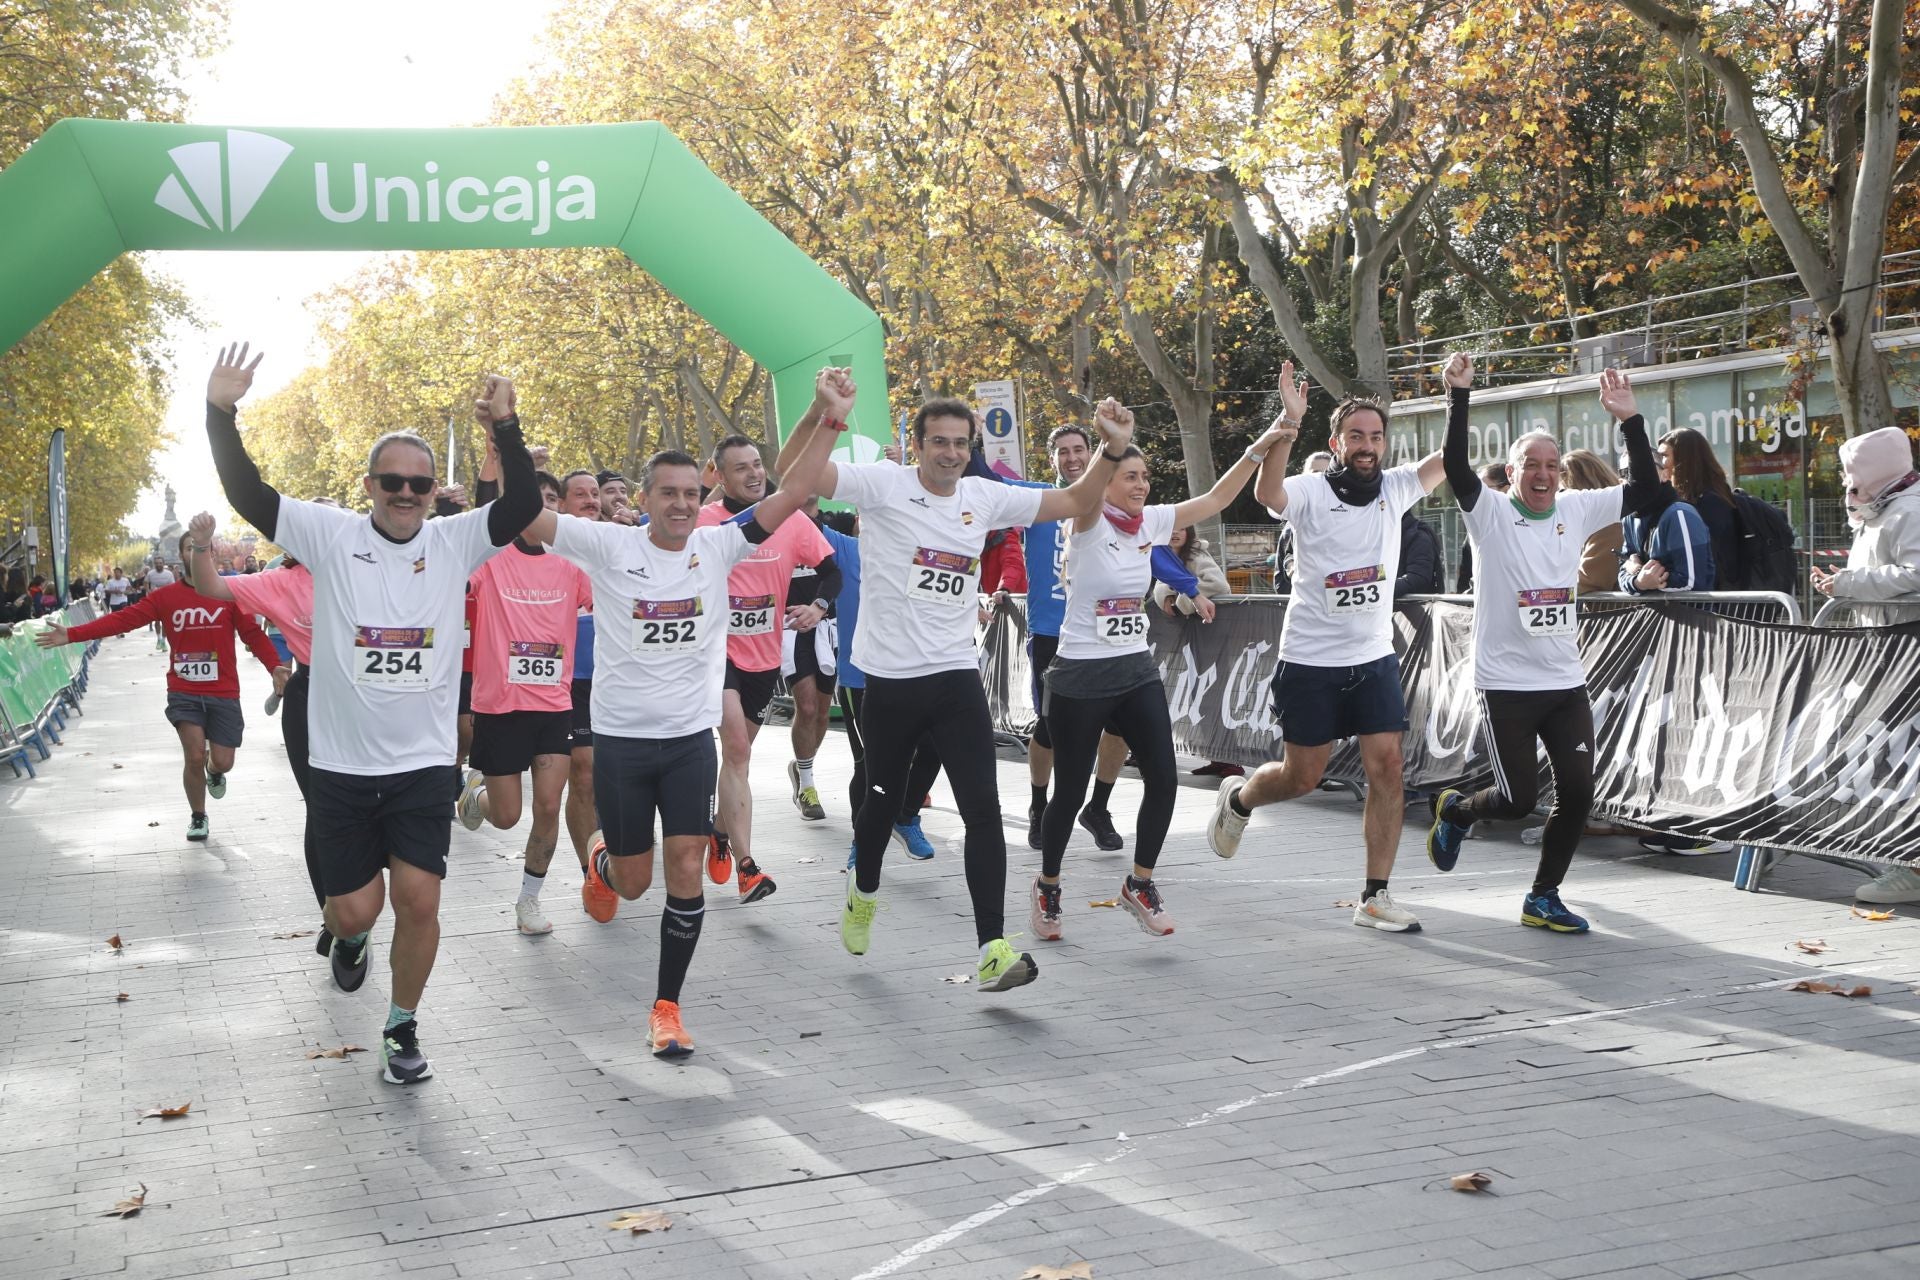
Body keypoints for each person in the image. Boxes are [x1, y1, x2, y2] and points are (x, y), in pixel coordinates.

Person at [205, 341, 540, 1086]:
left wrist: (506, 427)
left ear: (431, 490)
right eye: (392, 481)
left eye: (419, 483)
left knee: (419, 900)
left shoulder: (454, 541)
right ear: (370, 485)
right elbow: (249, 494)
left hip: (422, 764)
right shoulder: (330, 535)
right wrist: (220, 411)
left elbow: (521, 506)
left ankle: (401, 1028)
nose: (406, 493)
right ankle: (349, 939)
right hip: (342, 766)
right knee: (355, 912)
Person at [778, 386, 1135, 990]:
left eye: (960, 444)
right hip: (890, 682)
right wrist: (824, 413)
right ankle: (864, 890)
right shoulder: (884, 484)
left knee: (982, 810)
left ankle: (992, 947)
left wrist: (1112, 447)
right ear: (917, 446)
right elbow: (794, 475)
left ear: (972, 450)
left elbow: (1077, 499)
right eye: (938, 442)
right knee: (881, 803)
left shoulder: (984, 496)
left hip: (955, 678)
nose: (949, 453)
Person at [527, 379, 839, 1060]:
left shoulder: (721, 544)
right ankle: (602, 861)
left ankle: (667, 1008)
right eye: (666, 493)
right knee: (635, 882)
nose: (680, 504)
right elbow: (526, 517)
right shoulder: (609, 547)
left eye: (690, 494)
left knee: (688, 865)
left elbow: (793, 490)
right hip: (624, 743)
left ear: (704, 499)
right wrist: (508, 439)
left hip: (690, 741)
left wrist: (830, 418)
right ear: (643, 500)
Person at [1425, 360, 1666, 932]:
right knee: (1515, 801)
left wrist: (1630, 420)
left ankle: (1543, 896)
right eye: (1531, 465)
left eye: (1552, 466)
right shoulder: (1489, 513)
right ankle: (1458, 811)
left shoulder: (1577, 508)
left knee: (1578, 794)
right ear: (1511, 473)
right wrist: (1459, 396)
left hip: (1563, 681)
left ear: (1561, 475)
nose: (1543, 474)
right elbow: (1455, 466)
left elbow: (1647, 490)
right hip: (1506, 683)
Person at [1209, 359, 1449, 932]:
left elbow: (1451, 459)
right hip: (1311, 659)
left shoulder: (1396, 487)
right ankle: (1239, 799)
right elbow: (1268, 492)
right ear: (1337, 443)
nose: (1367, 446)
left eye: (1376, 436)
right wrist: (1288, 424)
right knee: (1303, 777)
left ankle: (1375, 895)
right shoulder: (1312, 490)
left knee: (1388, 766)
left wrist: (1456, 397)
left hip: (1372, 658)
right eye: (1356, 436)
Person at [1031, 420, 1293, 940]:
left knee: (1164, 776)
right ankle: (1048, 886)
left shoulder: (1150, 521)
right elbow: (1088, 492)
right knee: (1070, 790)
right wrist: (1111, 444)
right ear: (1106, 481)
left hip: (1135, 669)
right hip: (1080, 674)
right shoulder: (1086, 520)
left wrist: (1260, 446)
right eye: (1129, 476)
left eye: (1145, 476)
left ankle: (1140, 883)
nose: (1141, 485)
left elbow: (1216, 499)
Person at [37, 537, 282, 842]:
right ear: (181, 556)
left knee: (223, 761)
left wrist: (275, 667)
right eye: (190, 547)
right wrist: (73, 634)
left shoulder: (229, 595)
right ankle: (198, 816)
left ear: (212, 555)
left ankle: (214, 769)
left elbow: (252, 634)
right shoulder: (166, 597)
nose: (196, 552)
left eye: (202, 547)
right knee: (193, 755)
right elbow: (123, 620)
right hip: (183, 690)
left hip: (223, 691)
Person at [697, 434, 842, 900]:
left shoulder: (791, 520)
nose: (754, 473)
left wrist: (818, 606)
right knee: (737, 747)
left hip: (763, 657)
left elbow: (832, 571)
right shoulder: (705, 522)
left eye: (757, 464)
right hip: (715, 653)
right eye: (741, 467)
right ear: (720, 476)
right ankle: (748, 867)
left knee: (738, 759)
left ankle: (719, 832)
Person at [455, 470, 597, 937]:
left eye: (550, 499)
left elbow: (610, 596)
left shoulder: (570, 563)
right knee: (506, 816)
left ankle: (528, 900)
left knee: (549, 806)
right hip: (499, 707)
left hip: (553, 705)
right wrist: (490, 473)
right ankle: (475, 794)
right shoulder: (491, 558)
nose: (541, 507)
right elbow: (472, 536)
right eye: (531, 499)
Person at [183, 510, 328, 943]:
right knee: (321, 808)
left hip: (372, 701)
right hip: (311, 697)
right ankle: (336, 918)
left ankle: (360, 899)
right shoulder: (282, 581)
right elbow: (211, 586)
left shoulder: (376, 569)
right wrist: (203, 545)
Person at [1002, 425, 1131, 854]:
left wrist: (1187, 588)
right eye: (1063, 451)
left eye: (1079, 449)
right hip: (1051, 634)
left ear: (1092, 452)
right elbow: (983, 478)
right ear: (1051, 458)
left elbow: (1153, 542)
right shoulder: (1037, 498)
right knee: (1051, 727)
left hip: (1104, 631)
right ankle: (1039, 806)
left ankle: (1098, 808)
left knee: (1121, 725)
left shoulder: (1114, 497)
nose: (1072, 458)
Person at [1810, 426, 1920, 903]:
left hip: (1906, 651)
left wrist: (1850, 585)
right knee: (1901, 758)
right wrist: (1845, 585)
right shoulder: (1885, 510)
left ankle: (1912, 868)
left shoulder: (1908, 511)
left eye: (1850, 472)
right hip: (1891, 651)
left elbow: (1915, 574)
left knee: (1908, 759)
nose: (1844, 482)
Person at [820, 512, 947, 863]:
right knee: (870, 767)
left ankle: (905, 816)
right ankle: (862, 844)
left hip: (913, 675)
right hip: (860, 679)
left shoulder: (919, 555)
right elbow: (803, 515)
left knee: (934, 746)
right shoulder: (847, 549)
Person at [781, 496, 846, 826]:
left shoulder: (830, 527)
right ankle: (807, 787)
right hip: (791, 626)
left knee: (821, 712)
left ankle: (802, 767)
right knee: (805, 707)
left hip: (824, 626)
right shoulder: (771, 525)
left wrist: (819, 605)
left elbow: (834, 576)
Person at [556, 470, 604, 880]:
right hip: (571, 679)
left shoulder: (618, 542)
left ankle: (612, 847)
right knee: (584, 773)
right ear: (559, 504)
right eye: (580, 494)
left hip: (619, 678)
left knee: (612, 775)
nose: (591, 499)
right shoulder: (550, 548)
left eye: (595, 493)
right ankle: (592, 874)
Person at [1657, 428, 1739, 581]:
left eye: (1664, 456)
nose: (1660, 463)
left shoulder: (1711, 502)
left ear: (1685, 459)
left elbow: (1710, 559)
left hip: (1712, 592)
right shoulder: (1685, 500)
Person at [1619, 476, 1714, 593]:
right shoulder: (1628, 518)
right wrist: (1638, 582)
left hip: (1689, 605)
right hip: (1655, 605)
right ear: (1620, 482)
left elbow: (1693, 582)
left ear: (1664, 474)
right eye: (1625, 472)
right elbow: (1624, 568)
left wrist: (1642, 578)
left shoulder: (1679, 513)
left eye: (1649, 468)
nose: (1639, 474)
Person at [1561, 450, 1624, 594]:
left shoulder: (1608, 525)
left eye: (1561, 492)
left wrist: (1536, 595)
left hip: (1604, 608)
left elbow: (1589, 582)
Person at [1271, 451, 1334, 591]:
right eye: (1315, 473)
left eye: (1326, 473)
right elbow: (1288, 564)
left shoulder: (1347, 516)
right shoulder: (1294, 523)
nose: (1320, 478)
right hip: (1302, 598)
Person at [1454, 462, 1511, 593]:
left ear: (1506, 489)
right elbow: (1464, 580)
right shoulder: (1475, 531)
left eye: (1484, 489)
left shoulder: (1524, 528)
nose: (1477, 495)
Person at [1393, 511, 1443, 599]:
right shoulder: (1387, 538)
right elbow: (1379, 573)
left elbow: (1418, 578)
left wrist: (1383, 589)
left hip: (1415, 605)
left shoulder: (1419, 537)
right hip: (1389, 604)